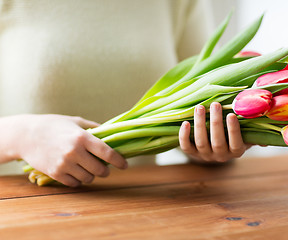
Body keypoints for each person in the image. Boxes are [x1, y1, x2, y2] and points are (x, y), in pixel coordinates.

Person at [0, 0, 248, 187]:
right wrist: (23, 135)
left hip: (144, 207)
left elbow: (200, 108)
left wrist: (212, 148)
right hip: (22, 209)